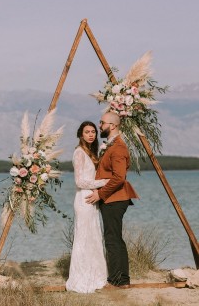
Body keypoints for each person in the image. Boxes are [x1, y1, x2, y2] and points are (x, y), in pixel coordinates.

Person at [86, 112, 139, 289]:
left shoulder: (118, 148)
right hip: (111, 199)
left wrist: (100, 195)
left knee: (112, 239)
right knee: (114, 238)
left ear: (113, 125)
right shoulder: (111, 145)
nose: (99, 126)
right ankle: (121, 279)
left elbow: (119, 178)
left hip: (114, 199)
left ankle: (119, 281)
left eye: (102, 123)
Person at [66, 121, 109, 293]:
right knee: (83, 237)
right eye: (87, 132)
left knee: (94, 236)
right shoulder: (78, 152)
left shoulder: (91, 152)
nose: (91, 134)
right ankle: (80, 277)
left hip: (92, 198)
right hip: (84, 198)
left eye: (93, 132)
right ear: (80, 134)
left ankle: (97, 274)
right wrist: (103, 182)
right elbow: (79, 181)